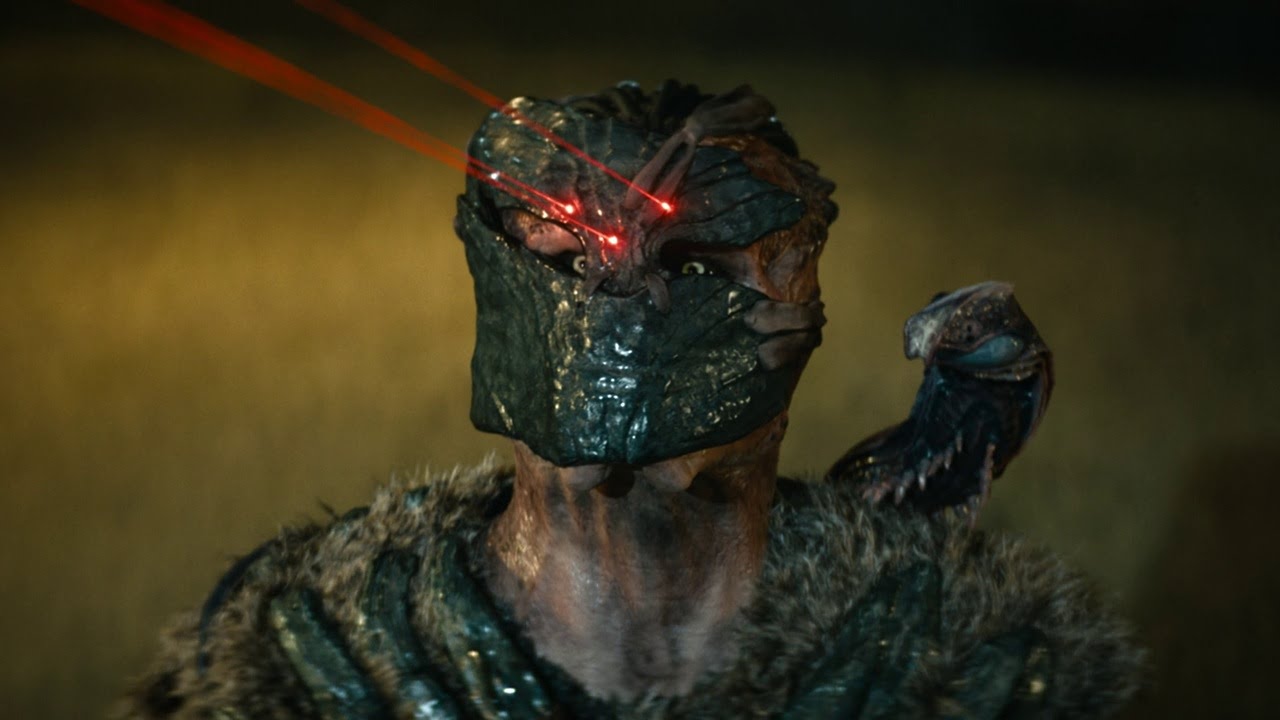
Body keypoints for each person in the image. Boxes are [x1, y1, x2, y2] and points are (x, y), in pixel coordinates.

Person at [122, 81, 1142, 719]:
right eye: (571, 257)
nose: (631, 301)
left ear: (798, 284)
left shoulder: (952, 663)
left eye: (700, 263)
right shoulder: (322, 651)